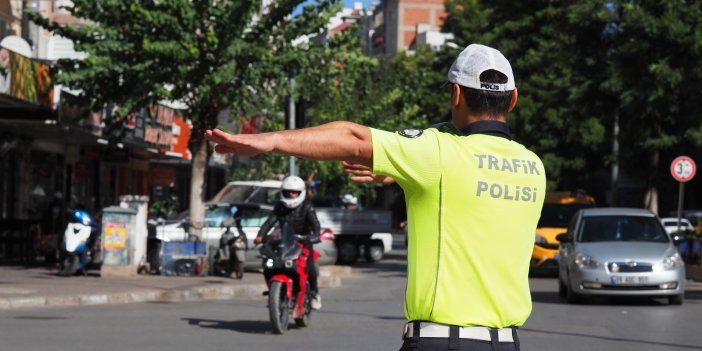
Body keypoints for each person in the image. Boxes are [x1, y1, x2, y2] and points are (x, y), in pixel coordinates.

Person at [205, 44, 546, 351]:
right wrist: (405, 175)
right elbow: (472, 197)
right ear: (513, 98)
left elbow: (352, 137)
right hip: (506, 343)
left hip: (442, 342)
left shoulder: (438, 151)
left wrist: (271, 140)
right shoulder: (533, 166)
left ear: (456, 94)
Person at [254, 175, 323, 310]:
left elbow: (316, 227)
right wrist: (260, 236)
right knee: (269, 264)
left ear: (300, 193)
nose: (291, 195)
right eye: (288, 192)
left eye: (294, 192)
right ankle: (276, 292)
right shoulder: (280, 207)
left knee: (310, 268)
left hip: (303, 242)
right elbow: (270, 222)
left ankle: (314, 293)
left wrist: (314, 236)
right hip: (285, 242)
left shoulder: (307, 207)